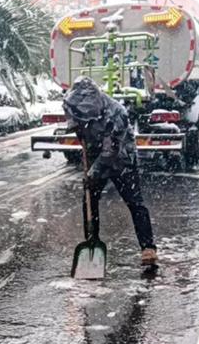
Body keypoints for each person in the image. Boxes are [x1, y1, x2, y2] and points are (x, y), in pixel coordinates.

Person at [62, 76, 157, 266]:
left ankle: (148, 248)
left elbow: (110, 152)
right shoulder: (74, 103)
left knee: (134, 202)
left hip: (122, 158)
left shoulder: (116, 114)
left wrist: (93, 172)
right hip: (95, 154)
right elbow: (74, 124)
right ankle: (91, 241)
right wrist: (78, 130)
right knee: (89, 199)